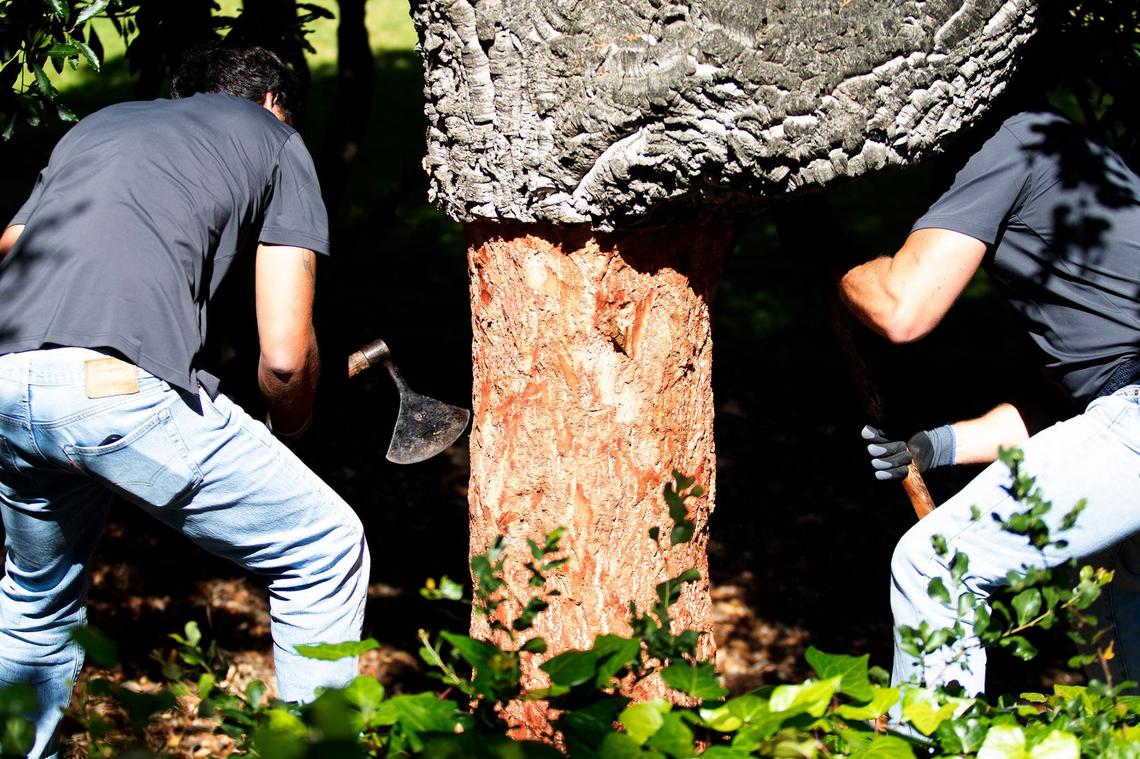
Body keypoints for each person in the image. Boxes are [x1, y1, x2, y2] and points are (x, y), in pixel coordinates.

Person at [0, 44, 370, 757]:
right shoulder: (275, 137)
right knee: (323, 546)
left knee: (35, 602)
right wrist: (292, 427)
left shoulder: (99, 125)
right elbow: (287, 358)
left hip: (8, 382)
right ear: (269, 101)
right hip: (114, 392)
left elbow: (14, 245)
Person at [839, 109, 1140, 695]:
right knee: (1110, 590)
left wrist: (839, 258)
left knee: (937, 566)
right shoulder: (1085, 170)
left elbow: (902, 308)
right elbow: (1088, 410)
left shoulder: (1012, 143)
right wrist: (934, 447)